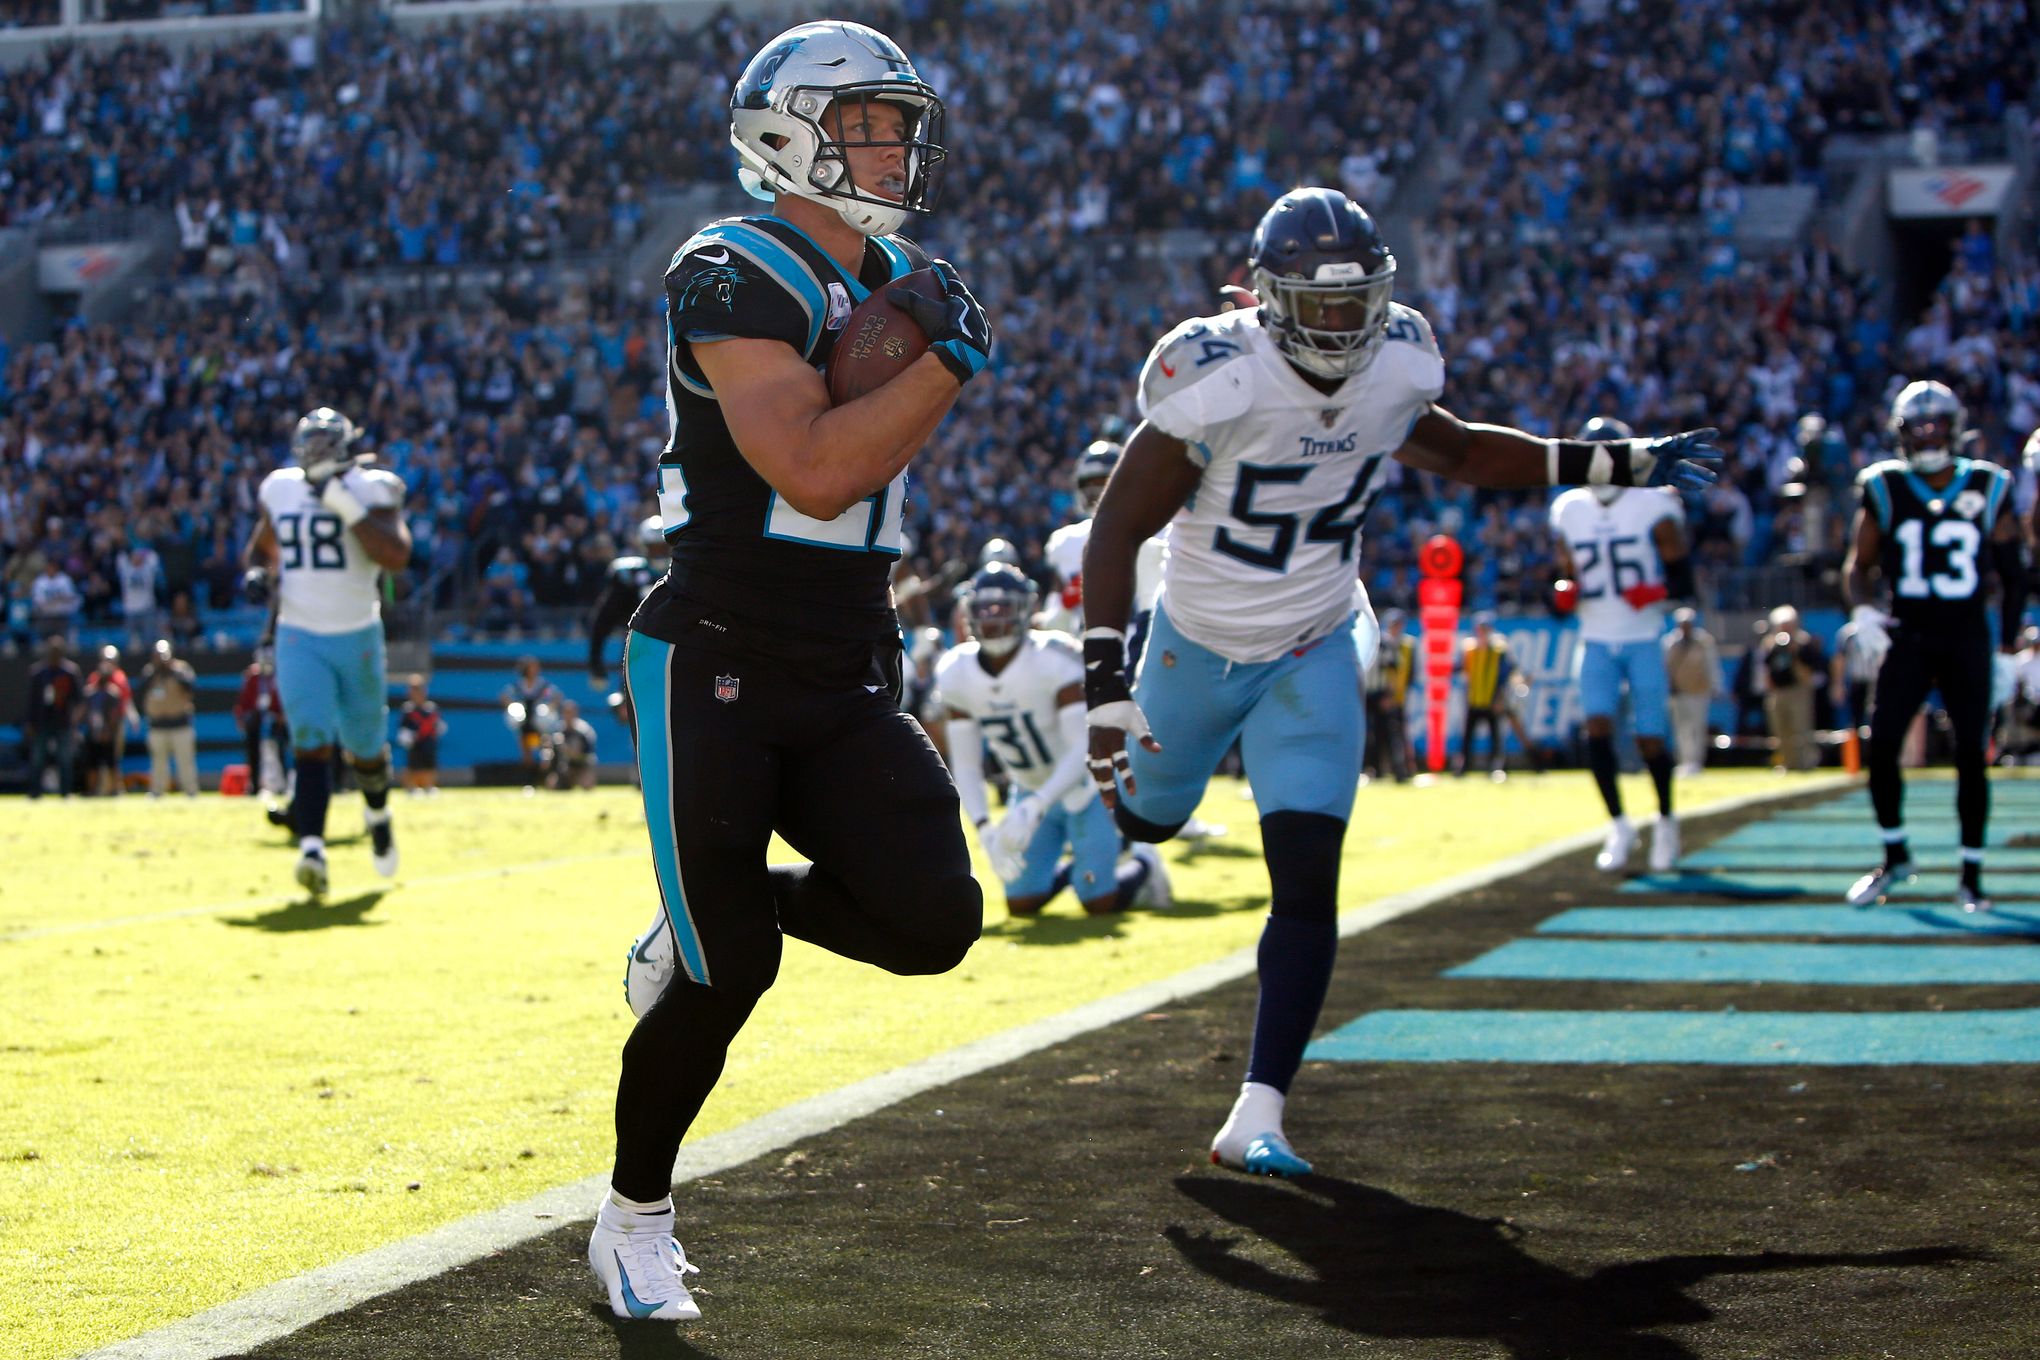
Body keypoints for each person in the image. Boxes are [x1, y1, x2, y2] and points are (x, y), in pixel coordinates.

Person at [1081, 186, 1719, 1179]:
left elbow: (1460, 450)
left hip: (1315, 639)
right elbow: (1118, 526)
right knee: (1148, 822)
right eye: (1317, 303)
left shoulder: (1396, 361)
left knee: (1308, 878)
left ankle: (1259, 1108)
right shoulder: (1215, 371)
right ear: (1264, 296)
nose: (1341, 323)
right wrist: (1106, 684)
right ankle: (1137, 838)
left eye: (1355, 301)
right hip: (1197, 643)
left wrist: (1621, 460)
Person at [589, 21, 989, 1324]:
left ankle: (719, 902)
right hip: (712, 647)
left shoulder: (899, 273)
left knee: (934, 922)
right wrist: (938, 356)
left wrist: (926, 340)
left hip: (843, 658)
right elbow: (813, 467)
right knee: (727, 976)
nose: (895, 145)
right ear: (788, 132)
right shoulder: (729, 264)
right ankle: (634, 1217)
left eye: (898, 124)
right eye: (869, 122)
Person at [1842, 380, 2025, 912]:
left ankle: (1971, 875)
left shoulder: (1988, 485)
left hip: (1967, 636)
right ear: (1900, 434)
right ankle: (1895, 855)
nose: (1927, 435)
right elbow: (1859, 564)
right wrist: (1862, 609)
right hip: (1909, 634)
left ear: (1955, 426)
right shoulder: (1884, 485)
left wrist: (2009, 647)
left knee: (1972, 753)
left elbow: (2015, 575)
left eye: (1936, 424)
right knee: (1881, 745)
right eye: (1917, 427)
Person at [242, 406, 411, 896]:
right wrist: (256, 572)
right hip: (298, 633)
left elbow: (396, 556)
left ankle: (377, 813)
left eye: (324, 445)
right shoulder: (282, 488)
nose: (315, 454)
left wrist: (340, 500)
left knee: (364, 747)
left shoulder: (371, 486)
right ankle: (311, 849)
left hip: (356, 632)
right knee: (310, 740)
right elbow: (261, 546)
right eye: (309, 445)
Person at [937, 563, 1168, 917]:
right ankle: (1076, 872)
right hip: (1030, 788)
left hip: (1086, 788)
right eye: (985, 608)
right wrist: (984, 828)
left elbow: (1082, 748)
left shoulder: (1052, 657)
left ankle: (1144, 865)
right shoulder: (956, 671)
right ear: (970, 611)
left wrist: (1038, 804)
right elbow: (966, 763)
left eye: (1003, 607)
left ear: (1025, 609)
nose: (994, 617)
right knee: (1021, 903)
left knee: (1098, 903)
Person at [1549, 417, 1695, 871]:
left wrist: (1656, 593)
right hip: (1594, 636)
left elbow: (1682, 578)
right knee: (1596, 728)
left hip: (1641, 635)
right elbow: (1565, 576)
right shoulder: (1569, 509)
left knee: (1651, 738)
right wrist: (1561, 592)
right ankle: (1619, 824)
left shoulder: (1654, 503)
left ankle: (1666, 821)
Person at [587, 515, 669, 704]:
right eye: (653, 547)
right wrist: (596, 663)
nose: (658, 553)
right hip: (638, 655)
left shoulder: (685, 573)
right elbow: (602, 621)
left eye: (662, 547)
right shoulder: (627, 575)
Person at [1758, 605, 1821, 771]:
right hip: (1778, 692)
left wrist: (1795, 652)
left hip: (1798, 690)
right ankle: (1787, 763)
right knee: (1780, 729)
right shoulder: (1771, 643)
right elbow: (1766, 667)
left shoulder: (1803, 642)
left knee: (1801, 728)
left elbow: (1812, 668)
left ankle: (1806, 763)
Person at [1662, 607, 1722, 774]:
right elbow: (1665, 668)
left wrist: (1715, 685)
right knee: (1680, 729)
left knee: (1697, 727)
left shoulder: (1703, 641)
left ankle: (1696, 762)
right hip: (1678, 692)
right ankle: (1683, 761)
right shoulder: (1670, 642)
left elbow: (1711, 665)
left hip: (1698, 691)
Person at [137, 638, 199, 797]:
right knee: (158, 763)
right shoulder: (150, 672)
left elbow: (190, 686)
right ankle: (157, 791)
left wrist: (172, 670)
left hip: (180, 724)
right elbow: (141, 689)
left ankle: (191, 791)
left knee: (185, 762)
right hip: (158, 725)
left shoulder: (181, 669)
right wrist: (156, 670)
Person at [25, 636, 83, 798]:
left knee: (65, 758)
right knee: (38, 758)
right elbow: (32, 701)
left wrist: (74, 721)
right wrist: (30, 722)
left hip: (63, 722)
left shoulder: (70, 672)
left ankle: (65, 792)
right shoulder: (38, 673)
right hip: (42, 722)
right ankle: (35, 792)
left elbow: (78, 700)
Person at [1455, 613, 1511, 780]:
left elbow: (1505, 674)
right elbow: (1460, 668)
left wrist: (1500, 698)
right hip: (1473, 698)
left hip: (1492, 699)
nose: (1482, 632)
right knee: (1467, 737)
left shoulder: (1499, 649)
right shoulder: (1469, 649)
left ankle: (1496, 767)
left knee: (1495, 736)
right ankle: (1463, 767)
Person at [1363, 607, 1414, 782]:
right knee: (1368, 734)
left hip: (1380, 693)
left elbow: (1393, 671)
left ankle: (1399, 771)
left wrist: (1389, 695)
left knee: (1389, 733)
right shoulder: (1362, 640)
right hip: (1365, 693)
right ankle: (1374, 770)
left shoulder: (1385, 644)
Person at [233, 646, 288, 796]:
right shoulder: (253, 676)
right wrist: (241, 716)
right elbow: (244, 699)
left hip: (275, 719)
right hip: (256, 719)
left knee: (279, 751)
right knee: (253, 754)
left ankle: (281, 784)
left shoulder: (280, 675)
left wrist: (282, 714)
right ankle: (255, 785)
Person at [396, 674, 445, 794]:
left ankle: (429, 786)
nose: (416, 693)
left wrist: (439, 728)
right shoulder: (407, 709)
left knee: (429, 765)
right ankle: (411, 787)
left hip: (429, 742)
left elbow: (437, 723)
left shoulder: (431, 708)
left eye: (419, 690)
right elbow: (403, 726)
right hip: (414, 743)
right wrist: (406, 737)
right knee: (413, 765)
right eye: (413, 690)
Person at [544, 698, 601, 790]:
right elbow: (550, 752)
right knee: (552, 784)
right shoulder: (558, 729)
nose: (568, 715)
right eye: (566, 712)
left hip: (583, 766)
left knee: (587, 784)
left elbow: (582, 755)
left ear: (576, 713)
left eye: (571, 712)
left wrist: (564, 746)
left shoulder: (584, 731)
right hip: (565, 767)